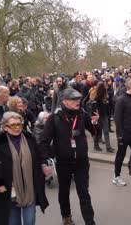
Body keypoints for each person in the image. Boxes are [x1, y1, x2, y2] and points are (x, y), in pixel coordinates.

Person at [39, 89, 99, 225]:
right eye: (74, 99)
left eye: (78, 99)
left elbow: (94, 132)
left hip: (81, 161)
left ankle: (90, 221)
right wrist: (45, 162)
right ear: (64, 101)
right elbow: (44, 142)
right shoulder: (54, 118)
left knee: (83, 192)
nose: (78, 101)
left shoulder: (82, 114)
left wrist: (95, 123)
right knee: (64, 191)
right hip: (63, 162)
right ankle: (66, 217)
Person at [0, 111, 48, 225]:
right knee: (14, 222)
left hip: (30, 189)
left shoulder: (29, 139)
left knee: (30, 221)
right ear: (5, 127)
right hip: (9, 191)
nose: (17, 127)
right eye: (13, 125)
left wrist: (44, 165)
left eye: (20, 124)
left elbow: (39, 155)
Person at [113, 79, 131, 186]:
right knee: (121, 155)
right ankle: (116, 177)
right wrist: (120, 135)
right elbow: (117, 118)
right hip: (124, 134)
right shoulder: (121, 100)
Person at [90, 81, 114, 153]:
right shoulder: (102, 97)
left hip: (98, 116)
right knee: (104, 131)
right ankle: (107, 147)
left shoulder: (95, 97)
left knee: (97, 131)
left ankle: (97, 146)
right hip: (101, 116)